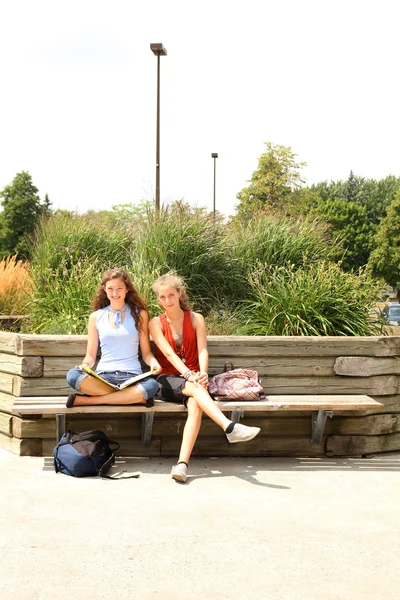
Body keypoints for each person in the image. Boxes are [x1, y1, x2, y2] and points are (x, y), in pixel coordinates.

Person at [149, 273, 261, 483]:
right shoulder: (155, 323)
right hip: (166, 379)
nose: (167, 301)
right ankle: (229, 427)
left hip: (193, 381)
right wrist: (189, 374)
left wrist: (202, 373)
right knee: (194, 389)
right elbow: (168, 354)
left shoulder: (196, 318)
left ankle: (182, 465)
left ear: (180, 293)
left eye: (171, 295)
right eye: (162, 297)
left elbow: (203, 350)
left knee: (196, 405)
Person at [66, 268, 161, 407]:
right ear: (104, 289)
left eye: (119, 288)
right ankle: (129, 397)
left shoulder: (140, 315)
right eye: (110, 289)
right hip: (103, 377)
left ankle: (88, 400)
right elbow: (90, 356)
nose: (115, 293)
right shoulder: (95, 317)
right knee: (73, 375)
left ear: (127, 289)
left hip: (131, 377)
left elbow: (146, 353)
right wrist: (85, 365)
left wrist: (153, 363)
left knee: (152, 385)